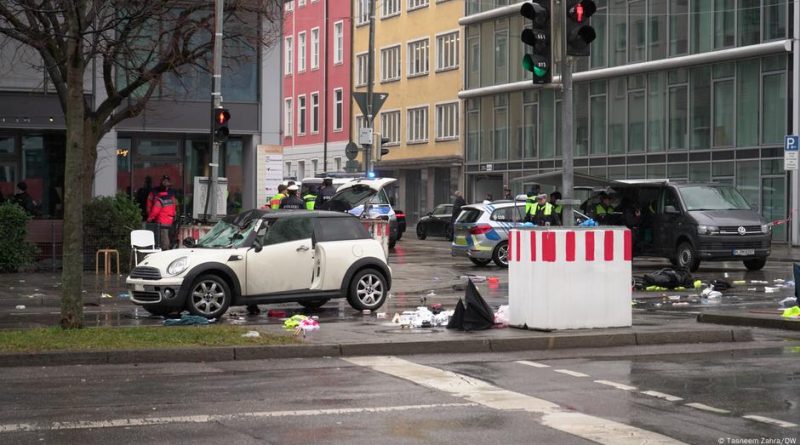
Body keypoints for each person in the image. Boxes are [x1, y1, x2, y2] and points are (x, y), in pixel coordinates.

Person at [147, 185, 177, 250]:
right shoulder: (171, 199)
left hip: (162, 221)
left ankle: (165, 250)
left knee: (164, 237)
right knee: (169, 236)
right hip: (170, 220)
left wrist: (150, 218)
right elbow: (174, 209)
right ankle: (170, 248)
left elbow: (155, 211)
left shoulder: (160, 201)